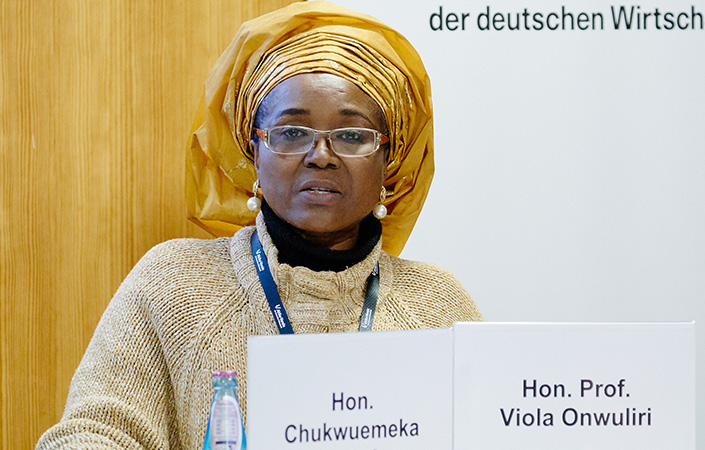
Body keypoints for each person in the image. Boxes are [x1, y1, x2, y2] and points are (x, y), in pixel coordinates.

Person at [35, 2, 482, 449]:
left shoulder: (438, 307)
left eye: (352, 136)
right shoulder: (174, 283)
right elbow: (92, 435)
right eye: (291, 132)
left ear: (391, 161)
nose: (321, 155)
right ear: (253, 152)